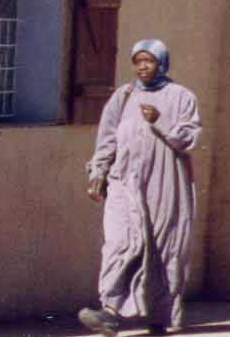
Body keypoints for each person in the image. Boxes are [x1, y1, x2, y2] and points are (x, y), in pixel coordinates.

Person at [80, 39, 201, 335]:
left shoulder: (181, 97)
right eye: (138, 61)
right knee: (120, 241)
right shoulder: (123, 97)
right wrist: (98, 172)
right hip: (124, 181)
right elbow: (107, 139)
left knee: (164, 246)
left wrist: (160, 121)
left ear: (162, 63)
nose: (143, 67)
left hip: (164, 182)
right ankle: (109, 311)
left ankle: (160, 317)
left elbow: (189, 137)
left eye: (149, 61)